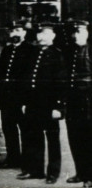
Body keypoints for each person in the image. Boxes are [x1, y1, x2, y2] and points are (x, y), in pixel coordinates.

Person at [17, 22, 65, 184]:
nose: (41, 37)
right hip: (33, 103)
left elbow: (60, 83)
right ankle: (36, 170)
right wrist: (24, 101)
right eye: (39, 34)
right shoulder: (34, 53)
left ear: (53, 36)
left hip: (49, 104)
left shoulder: (57, 54)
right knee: (33, 137)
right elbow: (27, 80)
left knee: (52, 139)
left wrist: (58, 106)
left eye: (45, 33)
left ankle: (53, 172)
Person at [0, 21, 35, 170]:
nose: (15, 33)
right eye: (12, 31)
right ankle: (13, 159)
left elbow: (30, 77)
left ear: (24, 33)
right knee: (9, 129)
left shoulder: (31, 50)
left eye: (18, 30)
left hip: (22, 98)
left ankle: (27, 161)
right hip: (7, 98)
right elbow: (1, 73)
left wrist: (27, 99)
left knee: (26, 129)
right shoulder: (6, 50)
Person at [62, 20, 92, 188]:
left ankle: (90, 176)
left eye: (81, 31)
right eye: (75, 32)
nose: (77, 35)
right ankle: (80, 172)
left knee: (89, 138)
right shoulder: (70, 51)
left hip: (89, 101)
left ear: (87, 32)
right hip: (73, 100)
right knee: (75, 137)